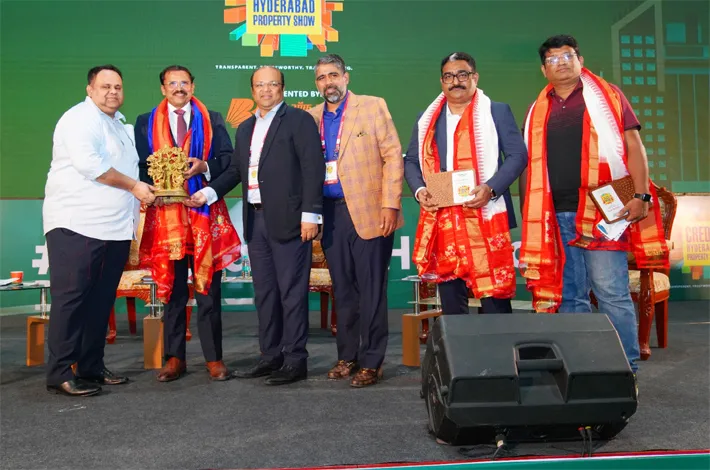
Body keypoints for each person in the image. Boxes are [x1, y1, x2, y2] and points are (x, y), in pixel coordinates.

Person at [518, 35, 669, 373]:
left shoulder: (608, 97)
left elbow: (634, 146)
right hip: (555, 213)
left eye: (567, 56)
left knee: (611, 292)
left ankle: (626, 369)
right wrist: (531, 213)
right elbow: (529, 164)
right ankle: (581, 368)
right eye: (553, 59)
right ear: (544, 70)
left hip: (603, 212)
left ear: (580, 60)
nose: (561, 63)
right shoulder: (537, 109)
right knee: (571, 295)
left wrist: (641, 195)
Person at [184, 66, 324, 385]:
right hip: (256, 220)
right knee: (265, 293)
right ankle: (271, 355)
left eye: (272, 84)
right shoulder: (246, 127)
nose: (266, 90)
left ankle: (295, 360)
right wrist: (207, 193)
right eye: (260, 85)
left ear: (282, 88)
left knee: (291, 293)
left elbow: (312, 168)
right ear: (252, 90)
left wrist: (310, 215)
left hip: (291, 220)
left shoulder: (299, 120)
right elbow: (236, 171)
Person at [43, 65, 155, 397]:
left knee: (101, 301)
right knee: (71, 300)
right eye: (105, 86)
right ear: (89, 89)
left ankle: (90, 366)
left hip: (115, 228)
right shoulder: (79, 119)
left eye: (118, 87)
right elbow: (91, 166)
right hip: (77, 224)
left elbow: (132, 169)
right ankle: (60, 372)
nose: (112, 92)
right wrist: (135, 186)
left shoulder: (120, 125)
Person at [135, 65, 241, 382]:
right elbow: (141, 167)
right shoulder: (145, 122)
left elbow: (229, 162)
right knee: (174, 291)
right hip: (167, 219)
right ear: (163, 88)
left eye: (184, 82)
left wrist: (204, 166)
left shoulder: (213, 119)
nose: (179, 88)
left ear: (193, 86)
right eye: (172, 83)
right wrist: (152, 191)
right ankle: (174, 358)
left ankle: (214, 359)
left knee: (208, 289)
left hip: (203, 213)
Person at [404, 52, 527, 316]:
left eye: (462, 74)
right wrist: (420, 190)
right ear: (441, 81)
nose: (455, 81)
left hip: (485, 212)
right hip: (443, 217)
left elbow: (518, 156)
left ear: (475, 77)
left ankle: (498, 342)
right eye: (448, 76)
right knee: (451, 299)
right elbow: (411, 161)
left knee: (494, 295)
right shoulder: (427, 118)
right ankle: (457, 343)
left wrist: (491, 188)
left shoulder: (496, 111)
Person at [307, 54, 403, 388]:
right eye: (322, 77)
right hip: (331, 215)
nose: (328, 82)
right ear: (316, 83)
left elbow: (393, 157)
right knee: (343, 290)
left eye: (333, 75)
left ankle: (372, 361)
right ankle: (347, 356)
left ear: (346, 77)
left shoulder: (373, 106)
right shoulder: (311, 117)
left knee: (372, 289)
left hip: (371, 212)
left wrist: (390, 205)